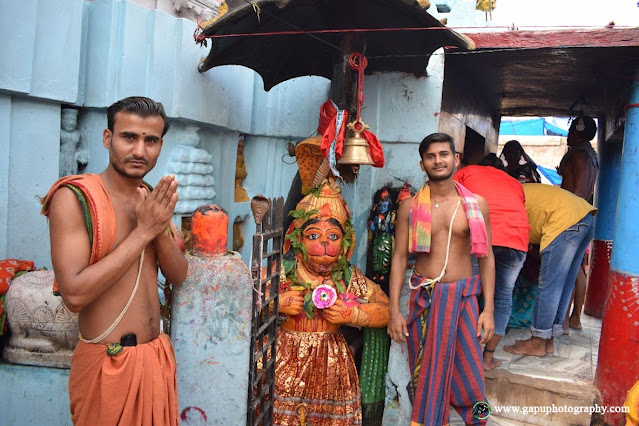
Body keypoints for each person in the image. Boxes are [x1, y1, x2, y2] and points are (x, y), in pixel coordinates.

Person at [41, 96, 188, 425]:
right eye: (129, 137)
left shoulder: (150, 196)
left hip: (154, 359)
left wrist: (158, 227)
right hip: (108, 365)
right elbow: (74, 295)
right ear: (108, 138)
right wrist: (143, 231)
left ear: (160, 145)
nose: (139, 150)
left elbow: (179, 276)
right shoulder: (76, 198)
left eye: (150, 140)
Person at [387, 133, 495, 425]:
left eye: (444, 154)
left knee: (471, 374)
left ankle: (479, 419)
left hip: (463, 300)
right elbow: (399, 257)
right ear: (423, 164)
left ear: (456, 159)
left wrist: (488, 310)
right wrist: (394, 309)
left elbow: (486, 258)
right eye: (431, 156)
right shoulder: (409, 207)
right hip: (425, 301)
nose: (438, 161)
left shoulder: (476, 205)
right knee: (425, 374)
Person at [274, 179, 389, 425]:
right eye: (313, 235)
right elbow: (245, 301)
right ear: (297, 240)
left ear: (346, 242)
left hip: (331, 364)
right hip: (285, 358)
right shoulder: (282, 270)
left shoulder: (347, 275)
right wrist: (277, 303)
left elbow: (387, 310)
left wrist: (353, 314)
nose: (324, 244)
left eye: (333, 236)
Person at [454, 154, 529, 371]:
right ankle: (487, 358)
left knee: (471, 292)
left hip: (481, 237)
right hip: (515, 240)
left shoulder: (466, 172)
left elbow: (451, 203)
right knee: (503, 295)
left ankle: (465, 356)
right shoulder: (514, 183)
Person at [504, 184, 596, 357]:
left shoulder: (502, 202)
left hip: (565, 220)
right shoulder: (514, 191)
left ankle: (537, 342)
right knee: (564, 283)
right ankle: (548, 341)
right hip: (584, 216)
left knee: (550, 285)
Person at [558, 114, 599, 331]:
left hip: (573, 216)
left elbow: (579, 191)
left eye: (571, 129)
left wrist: (564, 218)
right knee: (576, 269)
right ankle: (573, 318)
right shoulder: (590, 155)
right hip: (583, 216)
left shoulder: (580, 156)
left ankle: (564, 321)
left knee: (565, 270)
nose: (568, 134)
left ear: (579, 131)